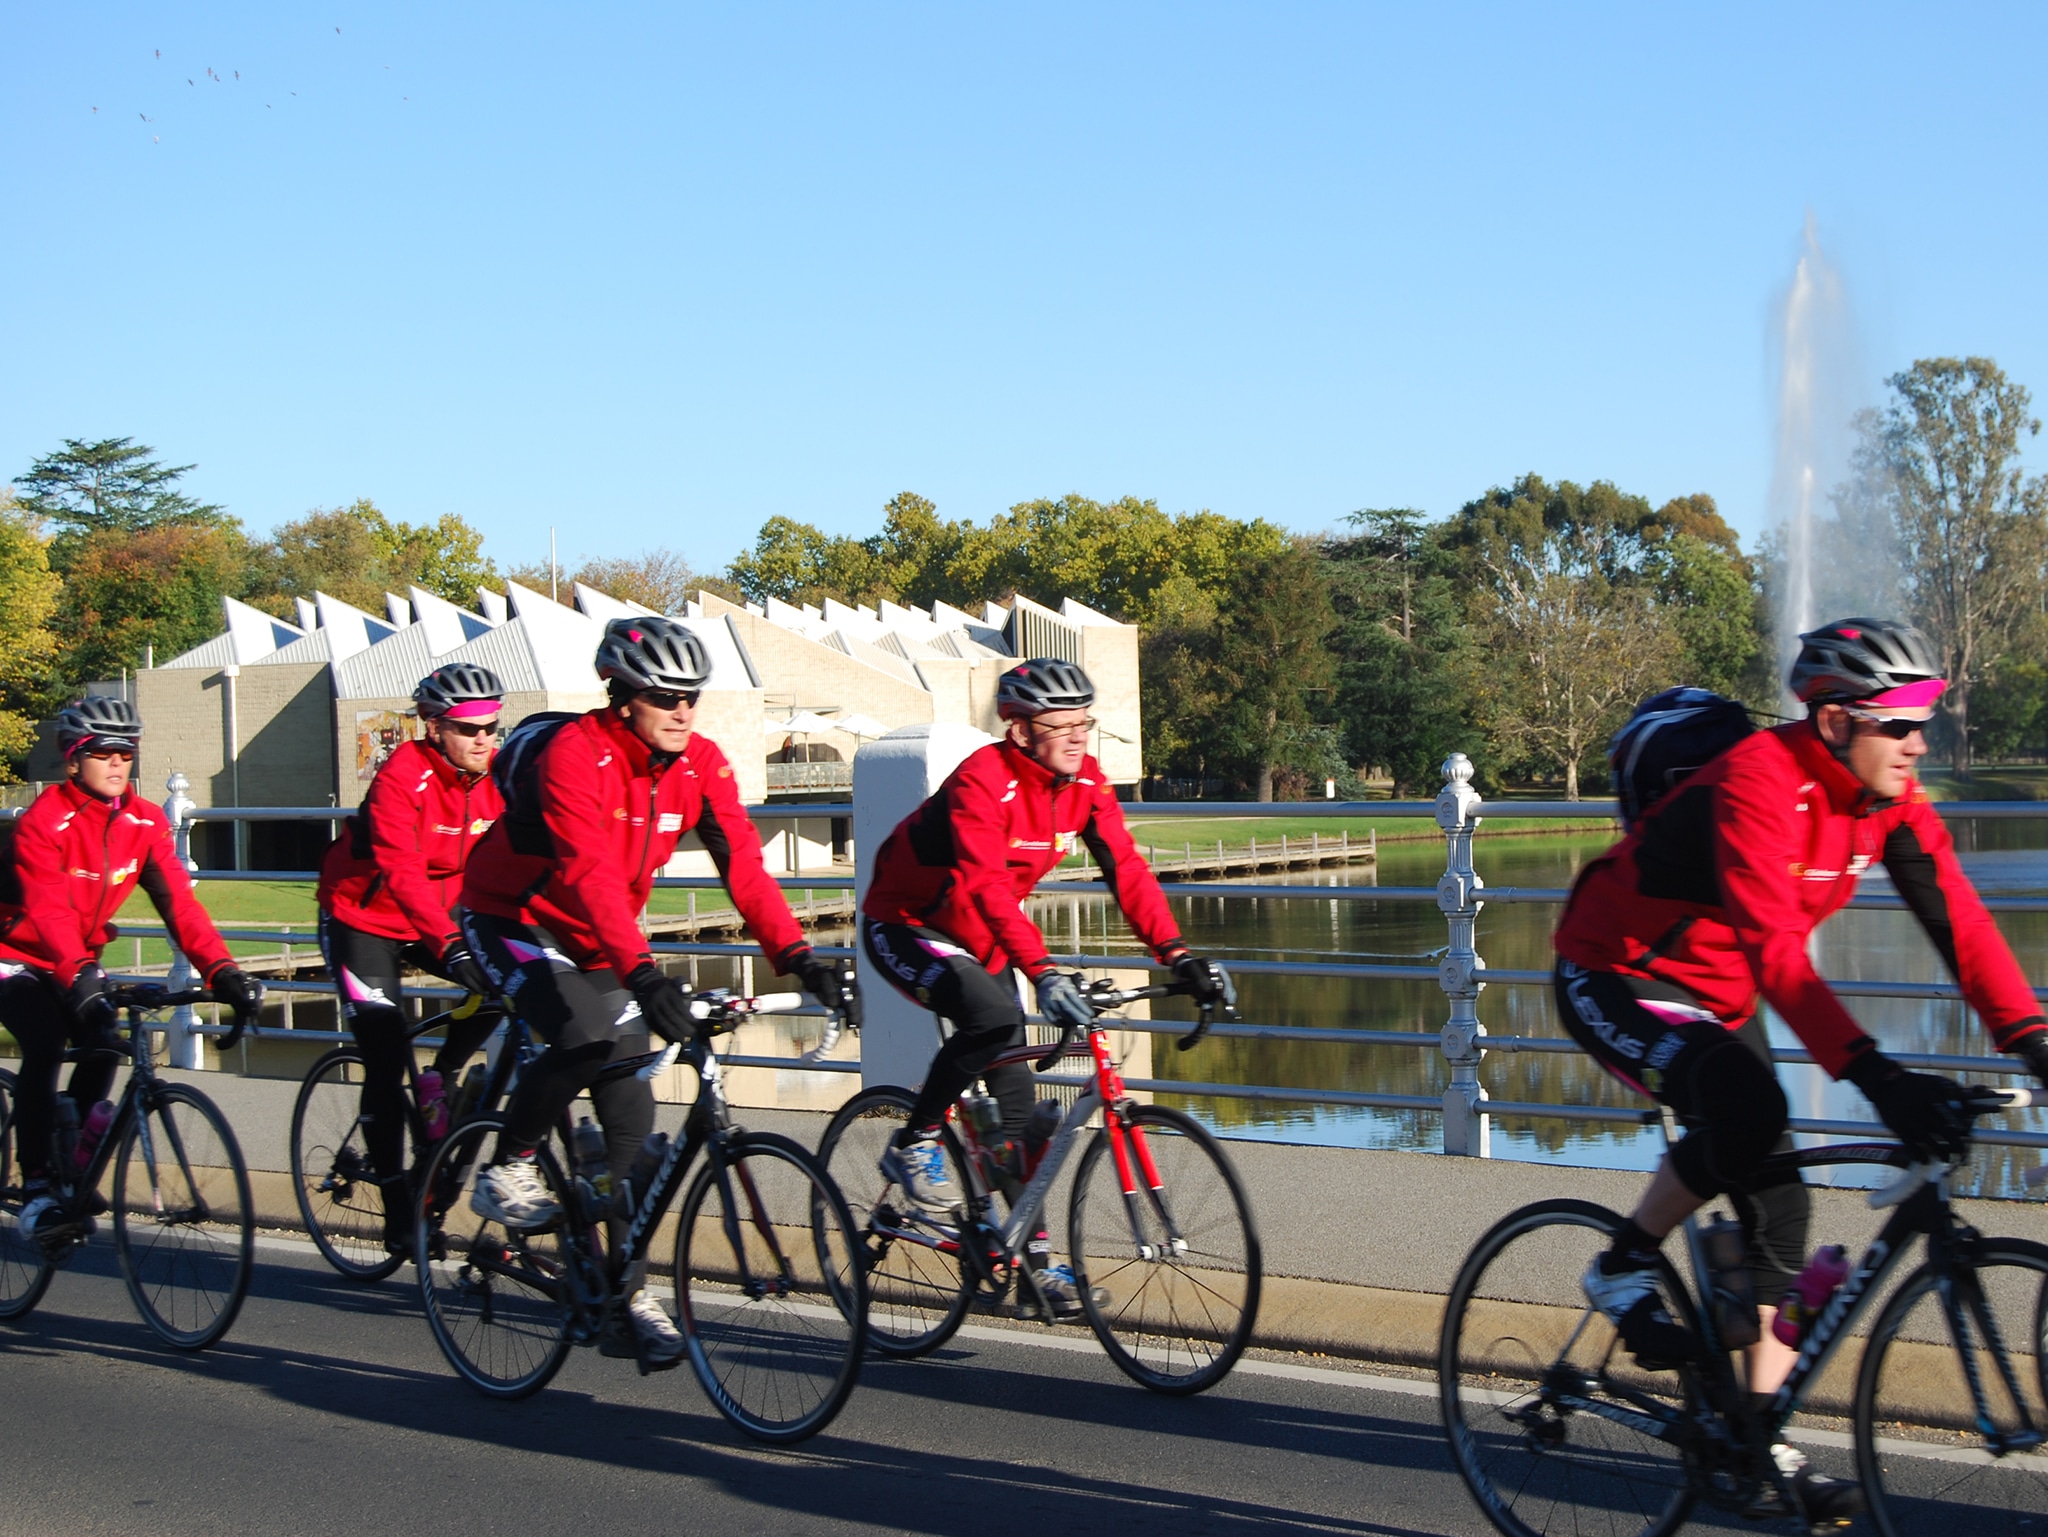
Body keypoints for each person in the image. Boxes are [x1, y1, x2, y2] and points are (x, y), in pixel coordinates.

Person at [1552, 617, 2048, 1524]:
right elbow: (1782, 958)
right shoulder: (1754, 784)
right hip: (1617, 972)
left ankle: (1754, 1434)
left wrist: (2031, 1036)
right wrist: (1882, 1079)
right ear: (1833, 724)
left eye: (1921, 720)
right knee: (1744, 1106)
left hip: (1719, 995)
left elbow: (1963, 927)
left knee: (1784, 1211)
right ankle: (1623, 1264)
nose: (1917, 740)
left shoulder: (1888, 804)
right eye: (1897, 723)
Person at [456, 615, 856, 1363]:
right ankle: (508, 1162)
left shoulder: (700, 761)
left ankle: (624, 1289)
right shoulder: (576, 755)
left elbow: (745, 867)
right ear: (622, 694)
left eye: (692, 696)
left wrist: (799, 957)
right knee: (581, 1036)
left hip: (600, 936)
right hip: (513, 914)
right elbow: (587, 872)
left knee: (631, 1131)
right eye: (666, 694)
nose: (682, 709)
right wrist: (643, 972)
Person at [860, 656, 1234, 1317]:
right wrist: (1044, 971)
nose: (1077, 736)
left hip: (983, 939)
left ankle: (1035, 1266)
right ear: (1020, 731)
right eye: (1059, 725)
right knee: (992, 1017)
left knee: (1018, 1118)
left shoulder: (1086, 781)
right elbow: (986, 886)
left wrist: (1177, 954)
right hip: (907, 922)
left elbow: (1128, 869)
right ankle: (915, 1139)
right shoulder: (982, 779)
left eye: (1084, 722)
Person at [2, 697, 263, 1244]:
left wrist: (222, 971)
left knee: (103, 1038)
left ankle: (73, 1152)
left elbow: (182, 907)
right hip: (15, 951)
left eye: (127, 751)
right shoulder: (45, 822)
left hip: (74, 955)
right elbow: (47, 912)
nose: (119, 762)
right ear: (74, 759)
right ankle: (38, 1187)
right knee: (47, 1042)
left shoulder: (143, 822)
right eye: (104, 752)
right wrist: (81, 976)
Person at [315, 662, 511, 1253]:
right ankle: (398, 1207)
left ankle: (441, 1072)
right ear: (434, 728)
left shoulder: (499, 776)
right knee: (383, 1047)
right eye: (468, 728)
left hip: (440, 917)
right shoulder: (402, 776)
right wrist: (450, 949)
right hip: (363, 916)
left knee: (505, 988)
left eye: (493, 727)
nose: (484, 739)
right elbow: (401, 872)